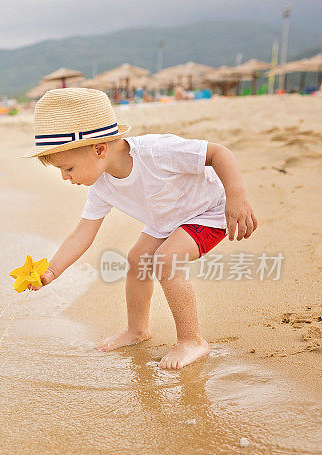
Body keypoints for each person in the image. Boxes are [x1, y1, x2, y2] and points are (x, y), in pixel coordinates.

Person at [23, 88, 257, 370]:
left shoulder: (157, 152)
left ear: (99, 149)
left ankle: (192, 340)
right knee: (137, 259)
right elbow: (82, 233)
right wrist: (51, 271)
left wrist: (236, 197)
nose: (65, 177)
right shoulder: (102, 185)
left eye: (68, 168)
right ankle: (137, 330)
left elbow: (219, 153)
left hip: (209, 211)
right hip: (168, 220)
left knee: (166, 259)